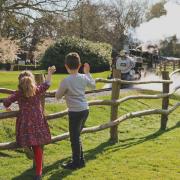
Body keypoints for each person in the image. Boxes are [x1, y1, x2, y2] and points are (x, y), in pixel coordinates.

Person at [3, 67, 56, 180]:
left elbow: (6, 102)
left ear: (20, 81)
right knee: (37, 146)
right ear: (32, 80)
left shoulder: (18, 93)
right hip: (38, 121)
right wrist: (50, 73)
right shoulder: (36, 90)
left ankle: (27, 150)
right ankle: (39, 173)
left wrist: (8, 108)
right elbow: (47, 84)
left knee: (24, 140)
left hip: (25, 122)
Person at [55, 52, 96, 170]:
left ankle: (76, 162)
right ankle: (80, 160)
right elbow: (93, 86)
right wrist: (88, 72)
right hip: (85, 110)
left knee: (74, 138)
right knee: (76, 136)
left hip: (75, 112)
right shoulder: (83, 77)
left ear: (66, 66)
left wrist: (63, 92)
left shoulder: (66, 80)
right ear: (79, 65)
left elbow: (58, 96)